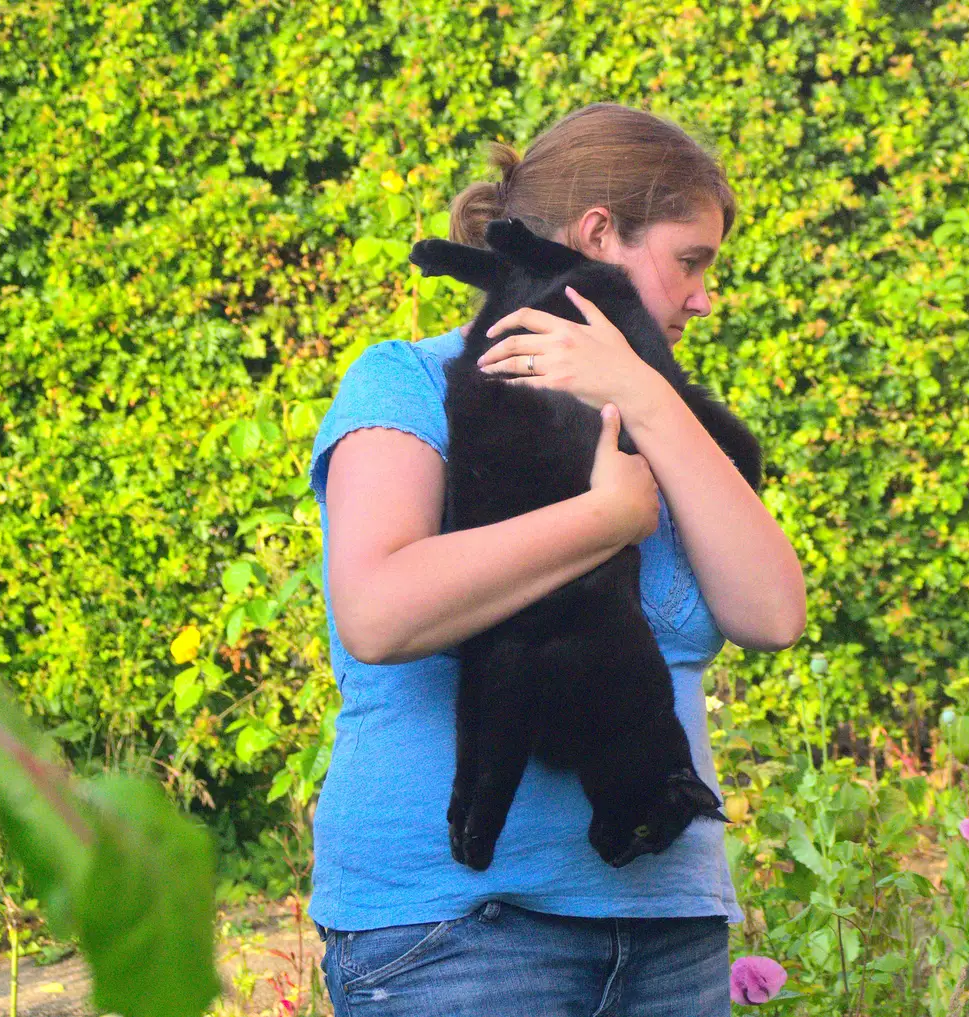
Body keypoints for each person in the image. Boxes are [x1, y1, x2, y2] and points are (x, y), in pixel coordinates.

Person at [305, 103, 806, 1015]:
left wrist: (645, 400)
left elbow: (772, 614)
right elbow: (378, 613)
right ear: (600, 235)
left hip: (668, 929)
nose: (705, 297)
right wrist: (604, 515)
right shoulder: (411, 380)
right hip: (459, 932)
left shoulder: (673, 419)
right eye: (691, 260)